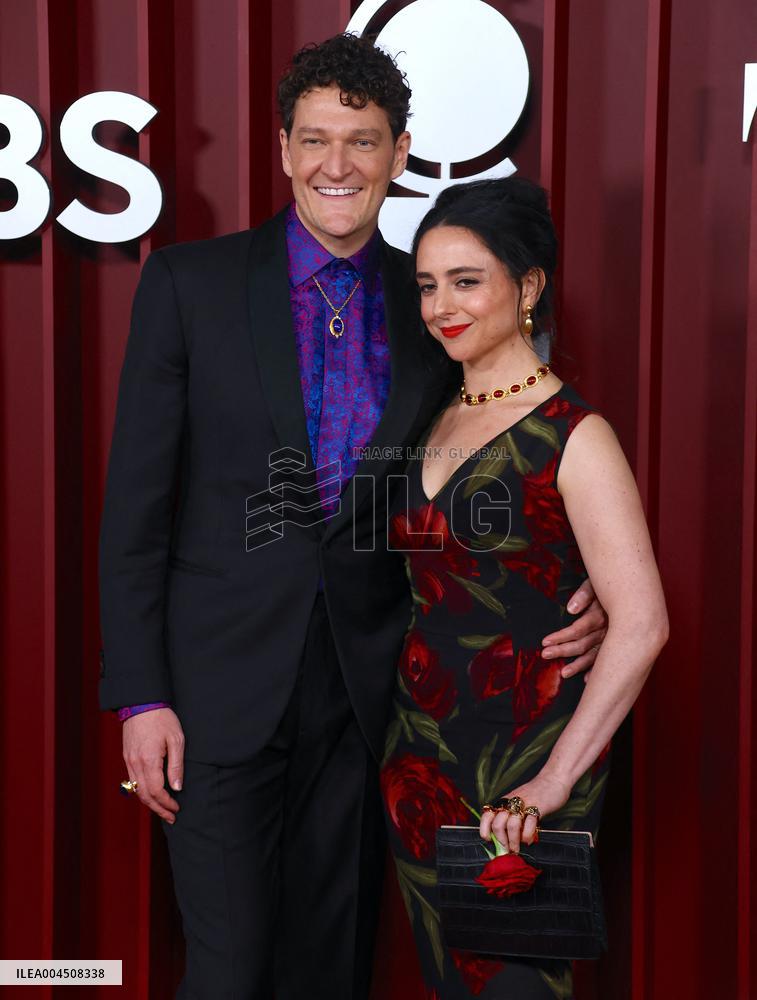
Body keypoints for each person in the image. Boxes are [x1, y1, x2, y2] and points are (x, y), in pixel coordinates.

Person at [98, 35, 607, 1000]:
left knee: (327, 969)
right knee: (228, 968)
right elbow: (135, 512)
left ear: (400, 153)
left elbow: (472, 463)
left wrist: (566, 584)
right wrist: (140, 695)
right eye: (316, 140)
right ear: (284, 150)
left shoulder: (430, 300)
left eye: (363, 141)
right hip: (213, 693)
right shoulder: (189, 286)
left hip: (368, 700)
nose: (338, 165)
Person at [380, 176, 669, 999]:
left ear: (528, 286)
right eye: (428, 284)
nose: (442, 305)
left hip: (528, 760)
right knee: (446, 980)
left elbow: (642, 623)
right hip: (417, 755)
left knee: (513, 982)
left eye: (466, 281)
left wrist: (554, 781)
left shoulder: (576, 436)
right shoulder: (425, 415)